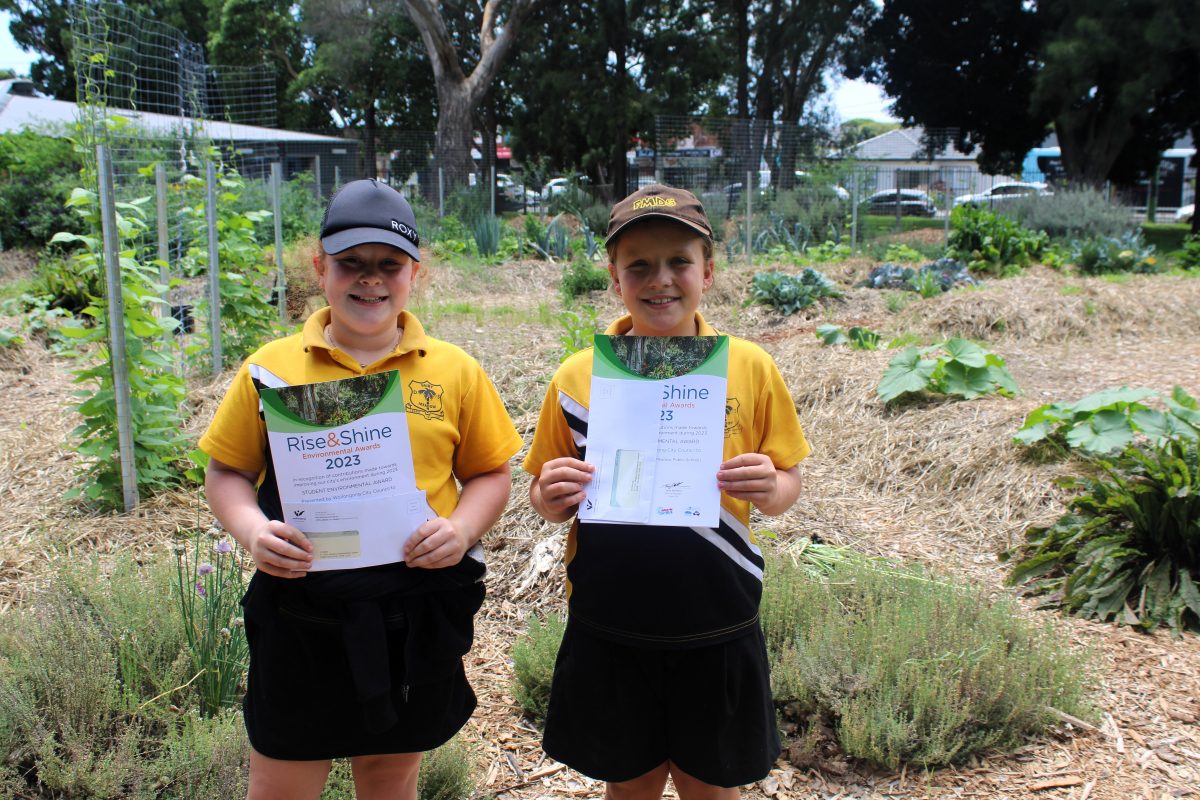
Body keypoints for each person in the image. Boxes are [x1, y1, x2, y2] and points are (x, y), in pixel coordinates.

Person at [199, 178, 522, 800]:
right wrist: (252, 530)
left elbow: (490, 473)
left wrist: (460, 530)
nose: (370, 280)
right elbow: (227, 472)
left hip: (413, 610)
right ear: (320, 268)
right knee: (281, 780)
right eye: (351, 264)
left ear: (415, 274)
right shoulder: (270, 367)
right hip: (301, 609)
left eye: (388, 265)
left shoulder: (454, 369)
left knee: (390, 777)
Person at [524, 184, 811, 800]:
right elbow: (543, 497)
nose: (661, 280)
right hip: (611, 617)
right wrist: (552, 493)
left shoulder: (750, 366)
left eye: (679, 261)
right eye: (639, 265)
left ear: (708, 270)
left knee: (712, 786)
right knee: (630, 785)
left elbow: (788, 483)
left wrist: (771, 486)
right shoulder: (578, 377)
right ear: (613, 275)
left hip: (717, 615)